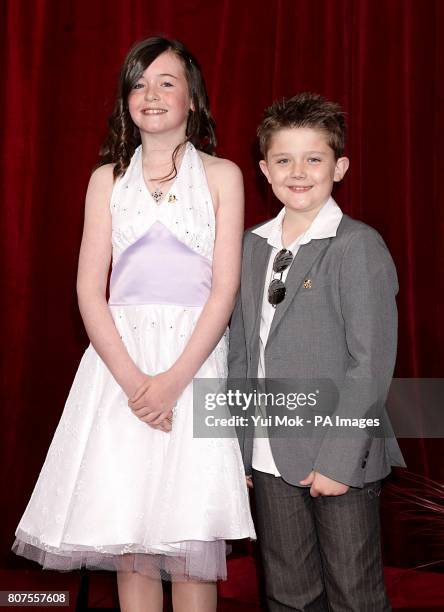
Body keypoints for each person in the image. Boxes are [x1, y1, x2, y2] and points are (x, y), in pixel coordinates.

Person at [13, 37, 255, 612]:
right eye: (139, 83)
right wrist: (132, 380)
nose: (152, 94)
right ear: (126, 100)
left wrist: (172, 382)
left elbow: (225, 290)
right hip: (117, 370)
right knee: (131, 542)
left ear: (192, 98)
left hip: (193, 366)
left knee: (189, 538)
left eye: (167, 82)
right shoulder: (107, 180)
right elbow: (87, 291)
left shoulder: (223, 176)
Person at [228, 92, 406, 611]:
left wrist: (339, 459)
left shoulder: (357, 245)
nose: (298, 172)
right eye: (284, 160)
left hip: (337, 456)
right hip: (267, 452)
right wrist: (239, 447)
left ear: (340, 166)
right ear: (264, 169)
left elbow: (369, 365)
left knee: (354, 594)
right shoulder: (250, 246)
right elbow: (241, 352)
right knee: (288, 594)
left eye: (314, 159)